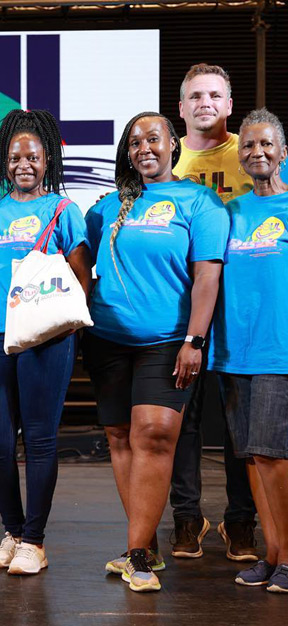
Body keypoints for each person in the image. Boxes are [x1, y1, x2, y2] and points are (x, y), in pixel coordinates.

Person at [83, 111, 228, 592]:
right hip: (106, 340)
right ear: (127, 153)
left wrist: (195, 339)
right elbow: (78, 261)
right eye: (135, 141)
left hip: (169, 342)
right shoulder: (106, 206)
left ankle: (139, 553)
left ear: (173, 146)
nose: (144, 147)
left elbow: (208, 275)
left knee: (156, 435)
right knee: (121, 437)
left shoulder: (200, 202)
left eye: (154, 138)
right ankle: (141, 543)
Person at [0, 109, 91, 575]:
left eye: (34, 156)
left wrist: (62, 332)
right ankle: (13, 531)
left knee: (40, 440)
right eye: (15, 156)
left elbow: (83, 276)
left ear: (48, 161)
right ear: (4, 160)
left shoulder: (63, 210)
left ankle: (35, 542)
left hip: (46, 336)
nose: (24, 164)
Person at [169, 63, 258, 561]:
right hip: (184, 311)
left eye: (215, 95)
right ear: (181, 108)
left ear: (229, 105)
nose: (205, 102)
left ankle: (240, 520)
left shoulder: (252, 152)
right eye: (195, 96)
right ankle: (187, 517)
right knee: (185, 419)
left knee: (242, 424)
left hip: (244, 311)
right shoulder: (165, 160)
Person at [210, 108, 288, 593]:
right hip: (234, 353)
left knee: (275, 458)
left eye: (266, 145)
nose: (256, 152)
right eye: (249, 146)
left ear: (283, 152)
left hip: (279, 352)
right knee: (253, 459)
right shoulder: (231, 212)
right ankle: (273, 554)